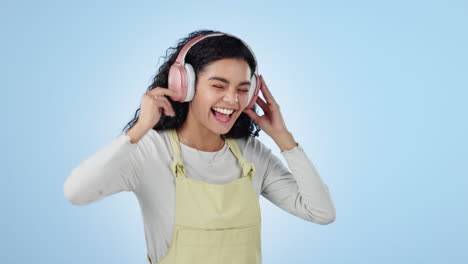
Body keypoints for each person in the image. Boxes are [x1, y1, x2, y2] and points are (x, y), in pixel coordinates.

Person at [63, 29, 336, 264]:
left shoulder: (250, 154)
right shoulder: (151, 152)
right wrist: (139, 130)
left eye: (242, 89)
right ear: (185, 86)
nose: (231, 100)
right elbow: (77, 192)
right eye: (218, 85)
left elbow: (321, 212)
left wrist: (284, 139)